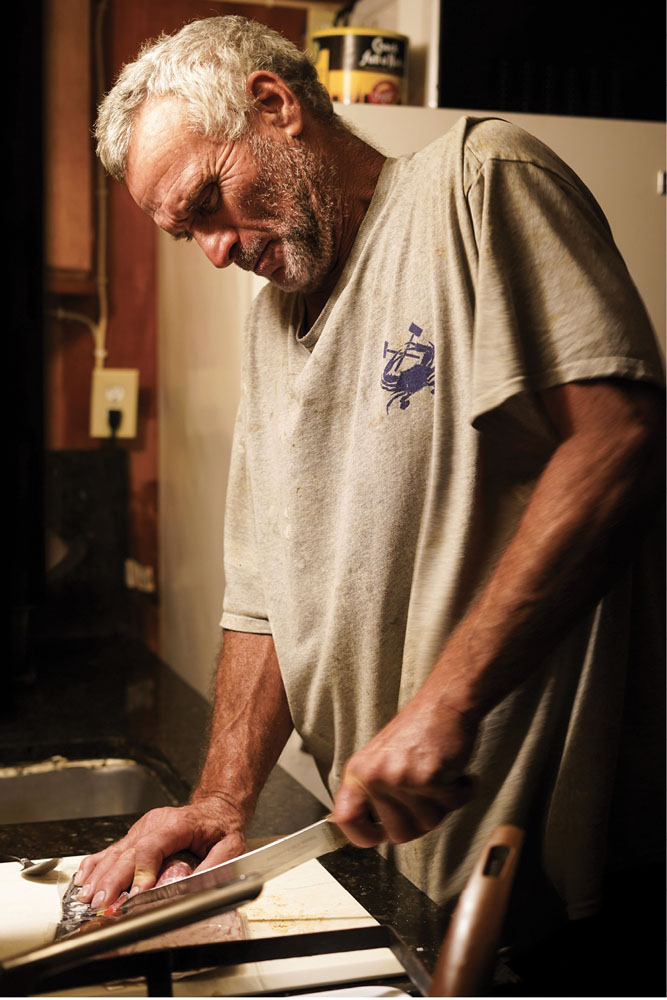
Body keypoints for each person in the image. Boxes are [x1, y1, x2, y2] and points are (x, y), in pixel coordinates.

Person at [75, 15, 664, 958]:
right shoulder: (270, 327)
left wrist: (445, 703)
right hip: (395, 853)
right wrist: (222, 799)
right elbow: (263, 586)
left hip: (540, 859)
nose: (214, 251)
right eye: (188, 232)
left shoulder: (478, 184)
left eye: (209, 202)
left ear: (275, 107)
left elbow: (617, 442)